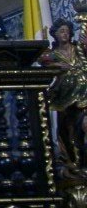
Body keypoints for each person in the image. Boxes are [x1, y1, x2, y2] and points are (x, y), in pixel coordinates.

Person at [40, 19, 87, 175]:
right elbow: (43, 62)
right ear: (55, 34)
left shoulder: (78, 49)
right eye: (61, 31)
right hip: (64, 98)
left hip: (83, 94)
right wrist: (57, 65)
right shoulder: (53, 54)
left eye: (67, 31)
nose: (65, 34)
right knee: (68, 130)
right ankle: (74, 160)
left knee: (83, 125)